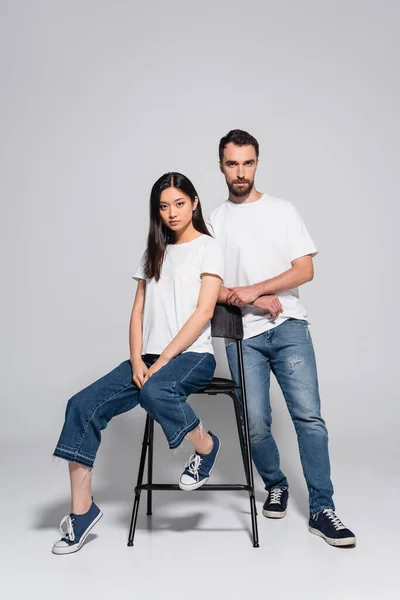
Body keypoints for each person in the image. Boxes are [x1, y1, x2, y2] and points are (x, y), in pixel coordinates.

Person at [52, 172, 224, 555]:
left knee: (155, 391)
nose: (172, 213)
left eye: (179, 203)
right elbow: (137, 312)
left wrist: (163, 359)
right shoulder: (154, 251)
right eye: (164, 206)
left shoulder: (209, 248)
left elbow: (204, 312)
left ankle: (206, 447)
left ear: (194, 203)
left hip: (193, 355)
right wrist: (135, 359)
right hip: (145, 358)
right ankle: (81, 515)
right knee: (80, 405)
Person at [207, 129, 356, 547]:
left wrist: (258, 289)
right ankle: (276, 482)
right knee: (254, 424)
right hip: (240, 333)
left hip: (289, 326)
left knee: (309, 417)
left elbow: (304, 269)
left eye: (248, 162)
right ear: (221, 166)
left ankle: (322, 507)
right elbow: (207, 287)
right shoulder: (214, 222)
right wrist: (251, 299)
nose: (241, 172)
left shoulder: (282, 211)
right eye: (232, 163)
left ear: (257, 163)